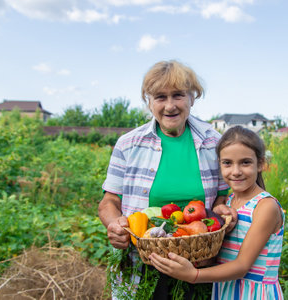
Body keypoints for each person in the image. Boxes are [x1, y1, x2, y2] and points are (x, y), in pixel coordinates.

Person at [98, 60, 237, 299]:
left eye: (178, 95)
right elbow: (109, 201)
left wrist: (223, 210)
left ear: (192, 98)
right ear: (149, 102)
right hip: (142, 266)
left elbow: (224, 196)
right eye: (160, 97)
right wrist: (114, 224)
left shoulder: (215, 142)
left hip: (200, 265)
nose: (170, 106)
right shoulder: (129, 144)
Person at [149, 126, 285, 299]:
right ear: (219, 164)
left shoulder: (265, 206)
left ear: (261, 164)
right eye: (227, 163)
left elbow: (242, 265)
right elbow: (226, 254)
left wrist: (193, 275)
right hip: (226, 291)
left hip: (254, 294)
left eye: (245, 162)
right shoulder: (229, 202)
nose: (236, 171)